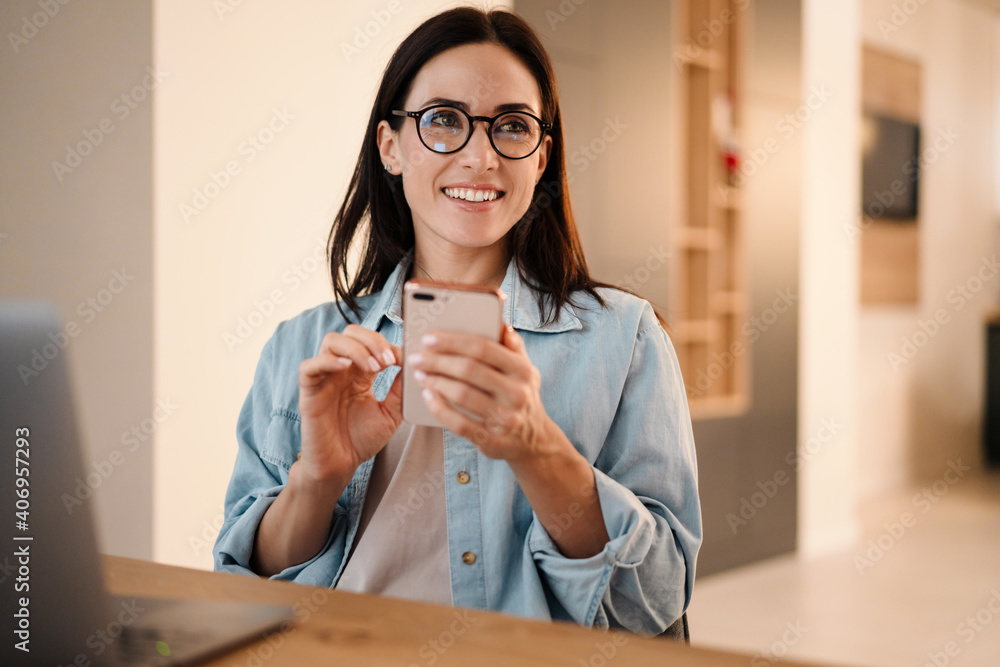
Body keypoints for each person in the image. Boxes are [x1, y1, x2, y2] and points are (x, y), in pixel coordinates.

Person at [213, 6, 701, 636]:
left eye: (512, 127)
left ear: (541, 158)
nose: (480, 156)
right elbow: (240, 583)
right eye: (444, 121)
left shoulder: (626, 339)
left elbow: (656, 598)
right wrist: (317, 478)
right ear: (391, 146)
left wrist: (537, 448)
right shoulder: (302, 347)